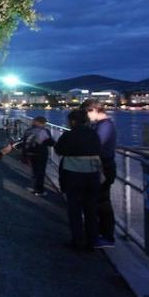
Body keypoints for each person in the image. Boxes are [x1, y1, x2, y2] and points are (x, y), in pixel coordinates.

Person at [55, 109, 102, 252]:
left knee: (74, 209)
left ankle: (77, 240)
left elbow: (59, 149)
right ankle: (91, 241)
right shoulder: (94, 134)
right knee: (90, 209)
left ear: (73, 121)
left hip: (74, 173)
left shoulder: (69, 134)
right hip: (93, 174)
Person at [81, 99, 117, 248]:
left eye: (86, 114)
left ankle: (107, 237)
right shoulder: (101, 125)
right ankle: (100, 234)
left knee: (102, 203)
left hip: (104, 167)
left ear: (93, 110)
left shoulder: (105, 126)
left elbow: (95, 144)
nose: (86, 117)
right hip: (101, 166)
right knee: (98, 201)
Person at [22, 117, 55, 196]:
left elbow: (24, 142)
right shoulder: (44, 131)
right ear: (42, 123)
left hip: (30, 153)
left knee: (35, 171)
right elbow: (50, 142)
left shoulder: (28, 130)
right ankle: (39, 190)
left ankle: (35, 187)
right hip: (40, 154)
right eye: (44, 123)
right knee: (40, 172)